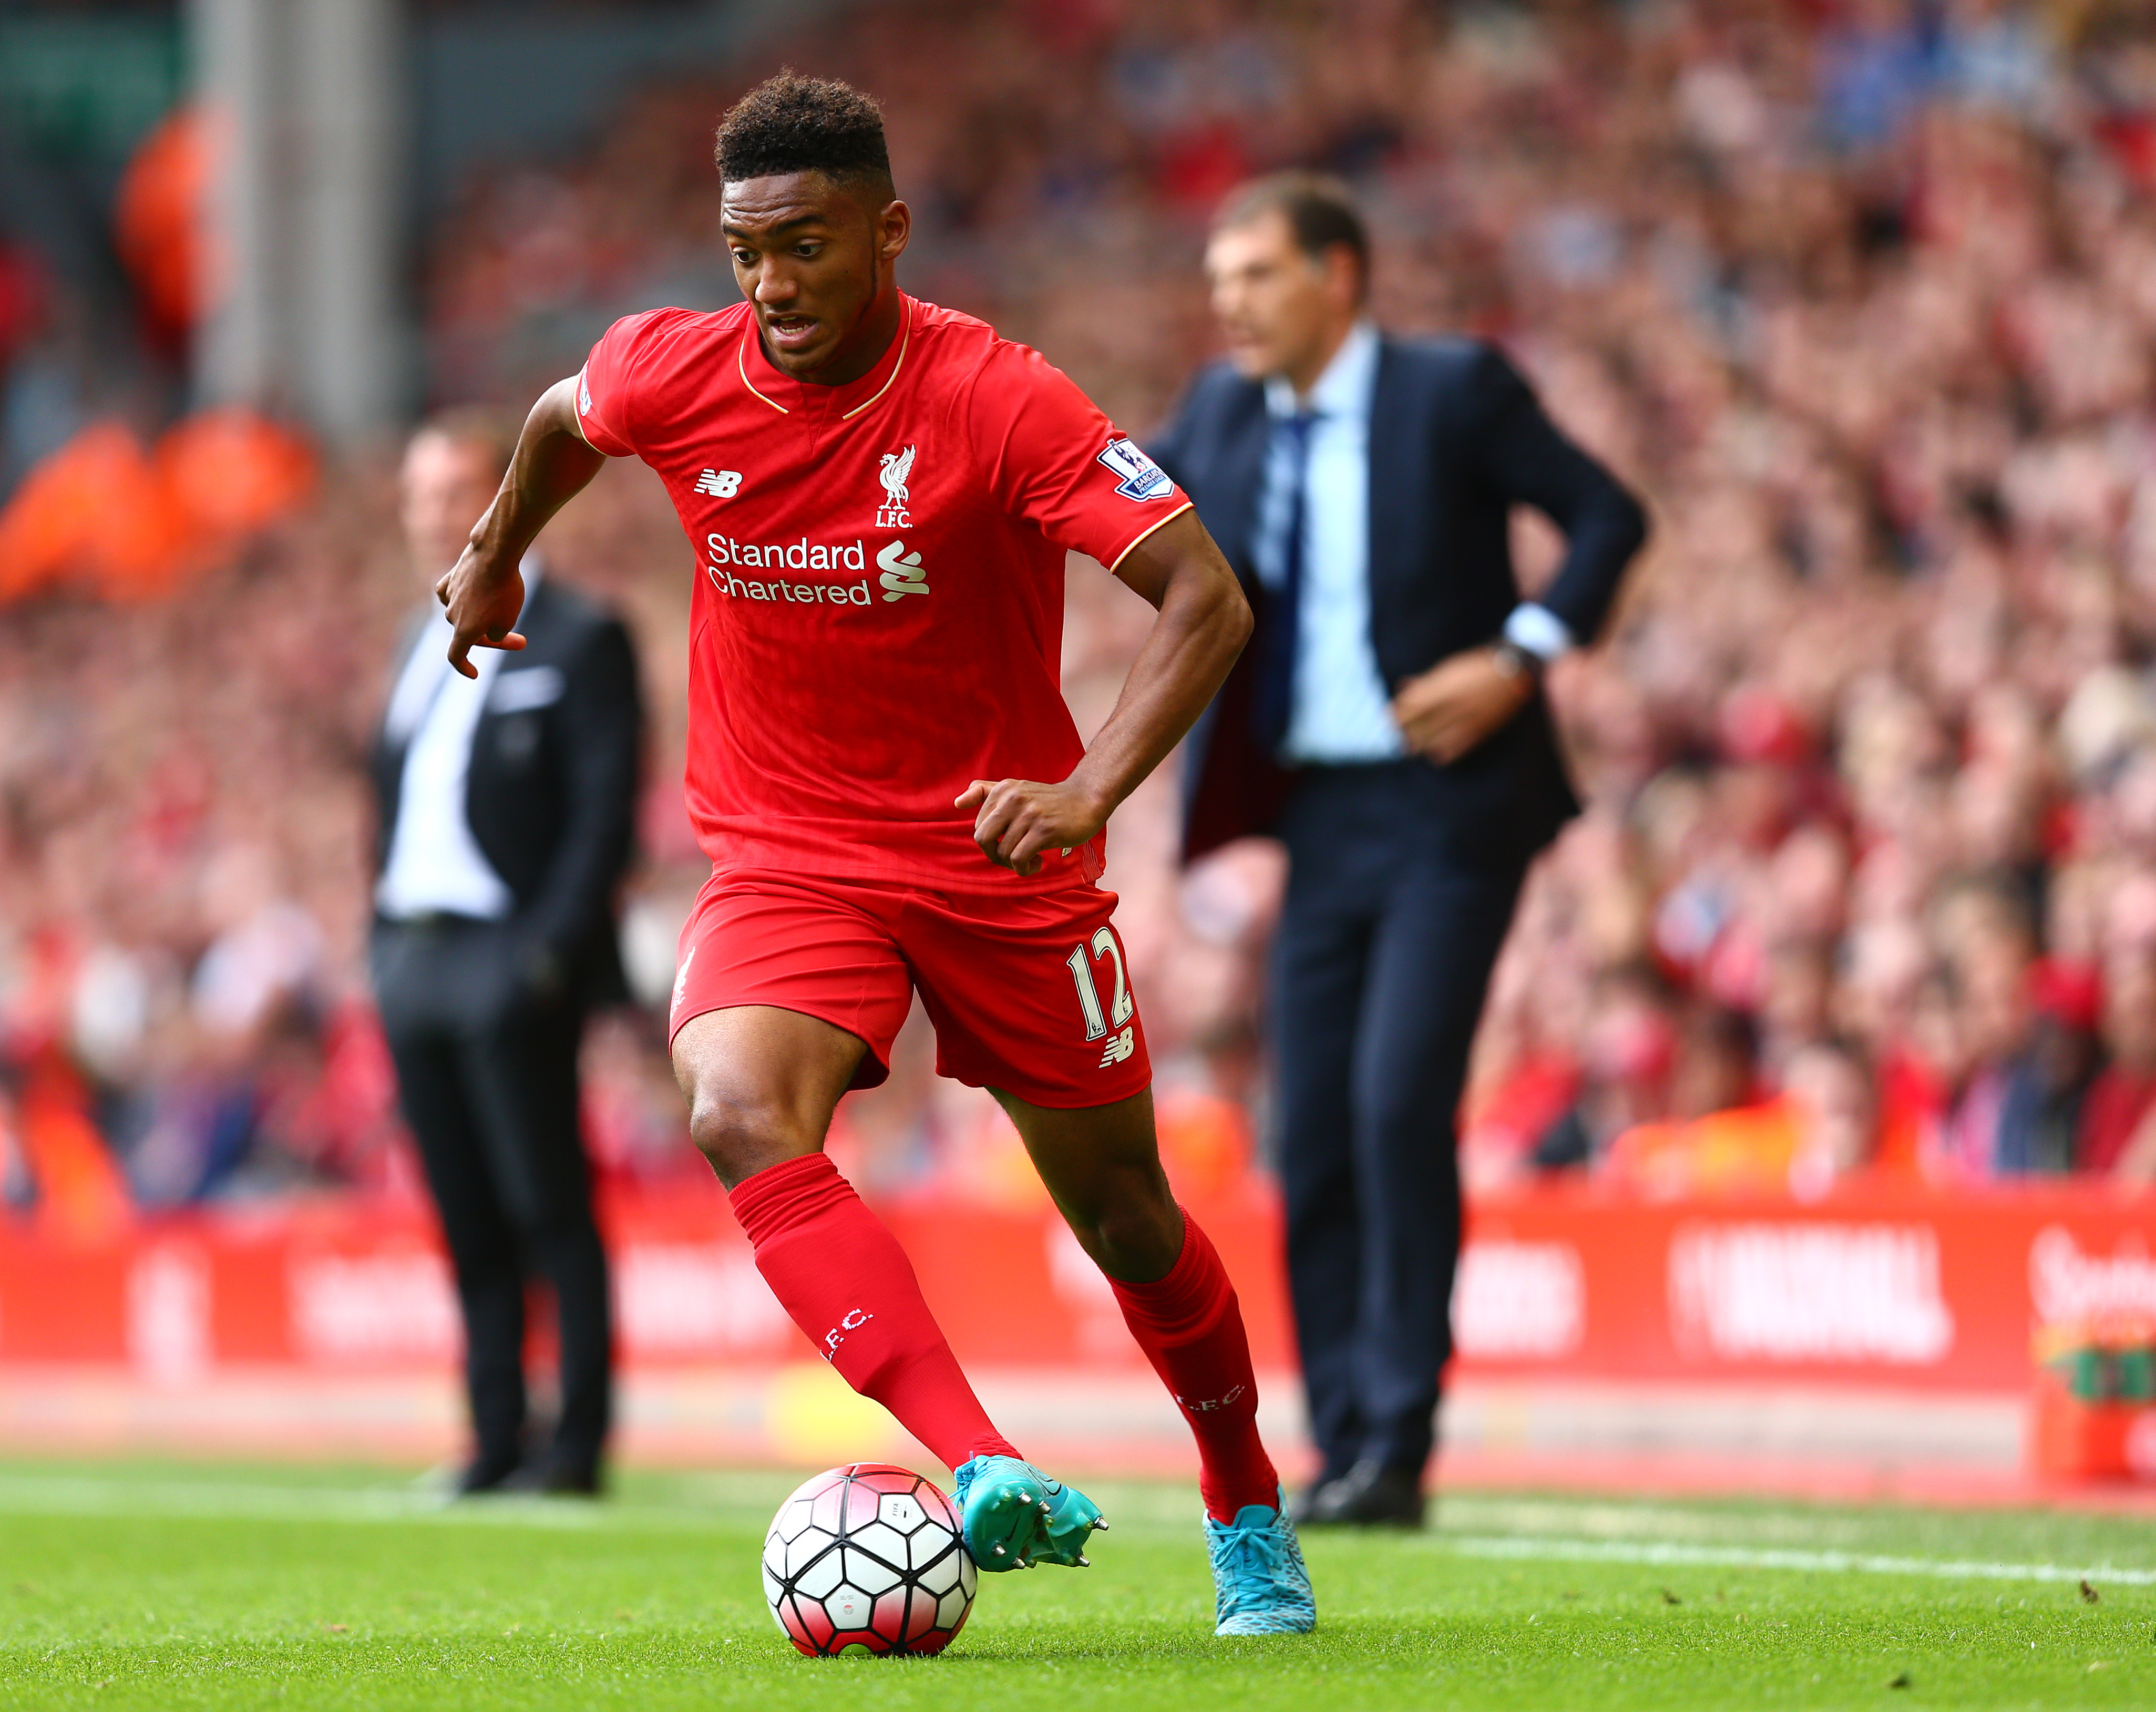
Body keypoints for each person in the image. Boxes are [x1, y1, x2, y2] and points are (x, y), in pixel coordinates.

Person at [435, 74, 1313, 1635]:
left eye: (808, 248)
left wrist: (1093, 788)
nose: (771, 287)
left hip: (1000, 851)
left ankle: (1244, 1493)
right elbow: (568, 416)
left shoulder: (998, 398)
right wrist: (499, 552)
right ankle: (977, 1465)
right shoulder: (673, 369)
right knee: (729, 1102)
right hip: (787, 848)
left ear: (888, 231)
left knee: (1125, 1218)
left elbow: (1205, 596)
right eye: (744, 251)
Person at [1154, 172, 1648, 1528]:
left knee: (1392, 1104)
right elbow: (1093, 493)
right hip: (1315, 820)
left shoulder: (1453, 391)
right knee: (1309, 1133)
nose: (1229, 305)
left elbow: (1609, 517)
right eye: (1218, 281)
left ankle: (1404, 1439)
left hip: (1449, 806)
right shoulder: (1217, 412)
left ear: (1339, 276)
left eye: (1255, 275)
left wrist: (1519, 657)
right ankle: (1342, 1442)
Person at [371, 410, 642, 1495]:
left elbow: (603, 814)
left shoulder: (580, 634)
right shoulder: (410, 640)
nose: (440, 513)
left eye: (458, 491)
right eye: (422, 494)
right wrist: (378, 945)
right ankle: (494, 1436)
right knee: (466, 1211)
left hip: (508, 956)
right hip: (414, 958)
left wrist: (545, 956)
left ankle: (574, 1445)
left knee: (548, 1203)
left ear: (509, 495)